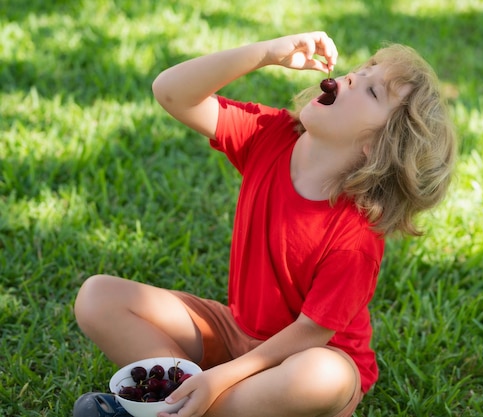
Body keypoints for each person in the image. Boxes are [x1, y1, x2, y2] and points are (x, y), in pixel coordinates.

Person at [72, 31, 456, 417]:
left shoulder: (357, 234)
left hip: (306, 358)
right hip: (235, 331)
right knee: (97, 297)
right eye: (363, 70)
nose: (355, 77)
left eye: (373, 92)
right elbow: (170, 91)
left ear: (378, 147)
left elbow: (311, 331)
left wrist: (221, 377)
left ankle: (179, 405)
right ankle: (184, 401)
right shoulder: (271, 136)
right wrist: (266, 53)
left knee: (323, 376)